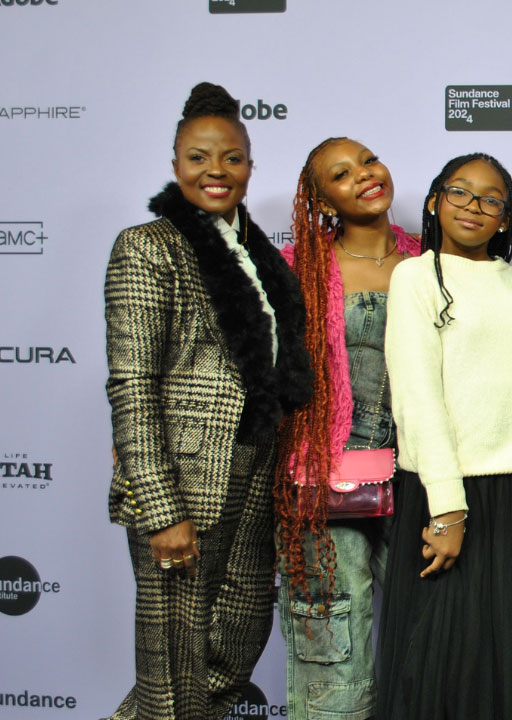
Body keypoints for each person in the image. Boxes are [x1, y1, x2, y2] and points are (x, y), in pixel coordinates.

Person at [104, 81, 312, 720]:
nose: (216, 171)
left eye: (232, 157)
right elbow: (132, 384)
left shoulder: (256, 255)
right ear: (175, 165)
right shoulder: (148, 246)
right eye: (199, 157)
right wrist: (161, 510)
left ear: (250, 166)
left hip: (252, 470)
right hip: (185, 480)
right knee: (174, 672)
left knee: (235, 645)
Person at [376, 153, 512, 719]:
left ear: (506, 218)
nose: (473, 206)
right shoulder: (416, 274)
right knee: (443, 668)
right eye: (459, 192)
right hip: (445, 491)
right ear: (435, 200)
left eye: (491, 199)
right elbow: (416, 398)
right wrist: (447, 510)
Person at [273, 137, 419, 719]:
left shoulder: (431, 261)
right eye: (341, 174)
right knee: (331, 644)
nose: (364, 175)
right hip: (322, 492)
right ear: (323, 201)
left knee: (433, 636)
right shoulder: (296, 271)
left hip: (417, 483)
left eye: (368, 160)